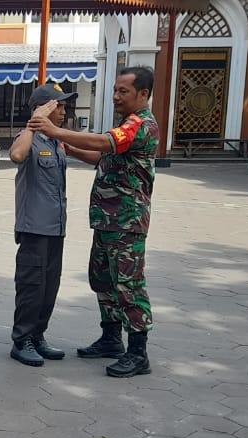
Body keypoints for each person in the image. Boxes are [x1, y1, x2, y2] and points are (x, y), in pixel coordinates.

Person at [28, 66, 159, 378]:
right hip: (107, 220)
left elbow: (104, 143)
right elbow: (104, 158)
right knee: (102, 279)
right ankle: (111, 338)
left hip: (126, 222)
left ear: (143, 94)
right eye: (114, 90)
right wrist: (69, 148)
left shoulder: (141, 125)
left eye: (123, 91)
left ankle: (138, 352)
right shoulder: (126, 123)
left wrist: (56, 132)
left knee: (128, 285)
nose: (115, 96)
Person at [7, 83, 78, 367]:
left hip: (55, 228)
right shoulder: (30, 138)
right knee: (31, 287)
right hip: (34, 228)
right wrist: (34, 125)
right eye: (57, 106)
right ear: (43, 109)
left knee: (50, 286)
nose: (63, 111)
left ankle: (38, 336)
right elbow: (15, 155)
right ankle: (21, 340)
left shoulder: (54, 142)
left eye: (63, 106)